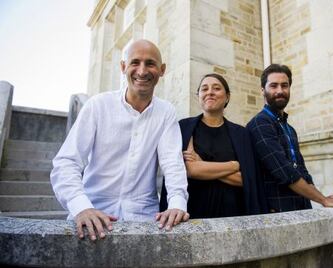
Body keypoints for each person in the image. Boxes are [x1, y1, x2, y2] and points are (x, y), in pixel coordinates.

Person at [51, 40, 189, 240]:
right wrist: (81, 207)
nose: (142, 71)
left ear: (162, 70)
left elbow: (172, 163)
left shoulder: (166, 112)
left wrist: (177, 204)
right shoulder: (98, 105)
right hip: (92, 216)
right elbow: (67, 162)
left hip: (145, 219)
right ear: (123, 67)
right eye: (135, 62)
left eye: (150, 63)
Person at [247, 64, 333, 213]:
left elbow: (301, 171)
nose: (280, 91)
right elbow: (283, 171)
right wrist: (323, 200)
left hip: (302, 208)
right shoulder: (259, 124)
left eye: (285, 85)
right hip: (277, 213)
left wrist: (326, 199)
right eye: (273, 86)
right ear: (263, 90)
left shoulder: (290, 129)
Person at [160, 73, 266, 218]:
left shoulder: (241, 134)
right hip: (195, 215)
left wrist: (202, 165)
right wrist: (234, 166)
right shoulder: (185, 128)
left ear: (227, 96)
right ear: (198, 96)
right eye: (204, 89)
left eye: (216, 88)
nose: (210, 92)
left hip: (234, 216)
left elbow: (247, 180)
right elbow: (190, 170)